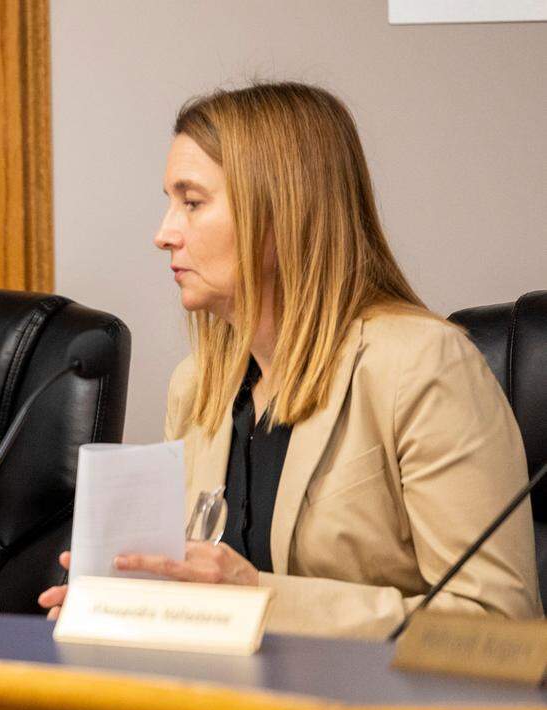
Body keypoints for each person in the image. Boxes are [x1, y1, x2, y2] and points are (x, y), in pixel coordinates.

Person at [40, 82, 542, 638]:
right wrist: (127, 607)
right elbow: (201, 600)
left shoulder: (423, 365)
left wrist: (260, 599)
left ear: (281, 212)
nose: (164, 234)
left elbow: (499, 626)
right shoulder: (197, 387)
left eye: (192, 202)